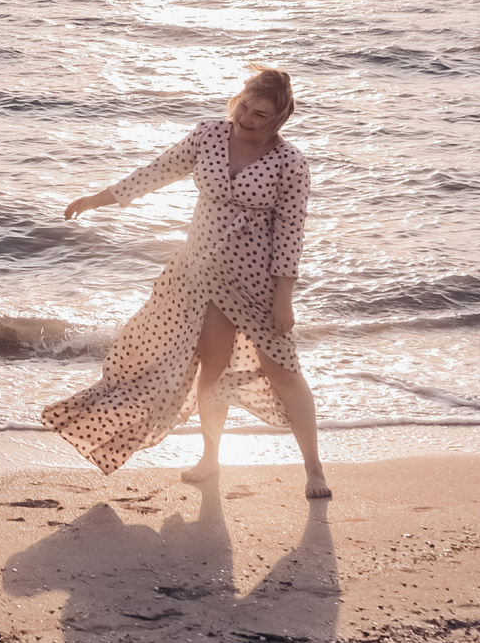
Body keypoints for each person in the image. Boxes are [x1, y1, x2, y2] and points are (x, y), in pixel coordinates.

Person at [42, 67, 328, 498]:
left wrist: (283, 298)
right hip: (201, 275)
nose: (245, 118)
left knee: (283, 371)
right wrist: (96, 200)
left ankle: (314, 469)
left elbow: (291, 233)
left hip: (256, 284)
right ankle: (210, 458)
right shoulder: (209, 135)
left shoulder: (290, 163)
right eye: (243, 106)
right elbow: (155, 172)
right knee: (212, 369)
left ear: (278, 120)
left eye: (259, 114)